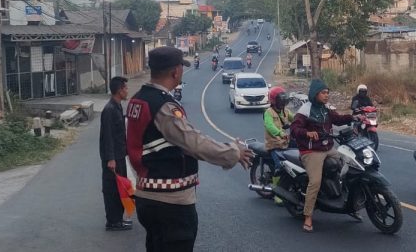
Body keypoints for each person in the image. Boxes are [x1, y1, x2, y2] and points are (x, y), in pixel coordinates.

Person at [126, 46, 253, 251]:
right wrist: (233, 152)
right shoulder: (164, 106)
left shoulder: (138, 99)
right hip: (169, 202)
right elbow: (192, 142)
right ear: (175, 71)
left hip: (147, 196)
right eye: (181, 68)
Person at [290, 79, 357, 233]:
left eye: (328, 92)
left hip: (328, 148)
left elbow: (338, 119)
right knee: (315, 182)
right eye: (323, 93)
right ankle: (308, 216)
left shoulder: (326, 109)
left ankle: (347, 201)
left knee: (348, 165)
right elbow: (294, 129)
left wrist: (352, 117)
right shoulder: (305, 110)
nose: (327, 96)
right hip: (312, 151)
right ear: (315, 94)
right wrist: (307, 133)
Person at [100, 76, 131, 231]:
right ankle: (112, 221)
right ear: (119, 91)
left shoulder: (118, 106)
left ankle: (118, 218)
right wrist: (110, 159)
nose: (127, 91)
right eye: (125, 88)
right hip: (112, 158)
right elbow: (108, 137)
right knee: (112, 189)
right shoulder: (109, 110)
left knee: (121, 188)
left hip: (120, 155)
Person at [263, 86, 295, 205]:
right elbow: (269, 126)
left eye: (283, 99)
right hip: (274, 145)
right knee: (280, 168)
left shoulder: (285, 111)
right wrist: (280, 133)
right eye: (280, 99)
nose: (282, 101)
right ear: (273, 100)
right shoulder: (268, 113)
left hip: (285, 144)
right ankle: (277, 193)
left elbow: (295, 119)